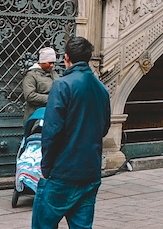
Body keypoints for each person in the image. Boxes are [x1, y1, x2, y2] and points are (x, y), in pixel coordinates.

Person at [33, 36, 111, 229]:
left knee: (43, 224)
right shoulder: (101, 89)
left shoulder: (62, 85)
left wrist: (46, 167)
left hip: (62, 170)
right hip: (90, 170)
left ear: (66, 58)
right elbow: (104, 128)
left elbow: (52, 131)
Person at [22, 46, 60, 121]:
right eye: (49, 63)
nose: (52, 65)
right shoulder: (31, 75)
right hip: (36, 115)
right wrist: (50, 98)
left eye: (53, 63)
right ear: (42, 61)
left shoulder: (54, 74)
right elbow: (30, 96)